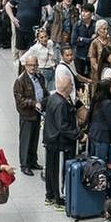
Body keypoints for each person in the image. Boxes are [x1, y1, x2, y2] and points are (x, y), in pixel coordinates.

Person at [42, 69, 78, 208]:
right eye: (71, 85)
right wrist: (78, 134)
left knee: (51, 169)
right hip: (60, 143)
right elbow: (63, 126)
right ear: (66, 87)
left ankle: (50, 195)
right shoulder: (62, 104)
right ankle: (59, 199)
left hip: (50, 140)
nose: (72, 87)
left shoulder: (52, 98)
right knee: (59, 170)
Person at [13, 56, 46, 177]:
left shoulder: (40, 77)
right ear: (25, 65)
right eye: (30, 65)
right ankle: (24, 164)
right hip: (27, 115)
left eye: (35, 65)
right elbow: (20, 100)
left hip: (37, 113)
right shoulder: (20, 81)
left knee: (34, 138)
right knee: (25, 140)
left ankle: (33, 161)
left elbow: (44, 91)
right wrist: (33, 103)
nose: (33, 67)